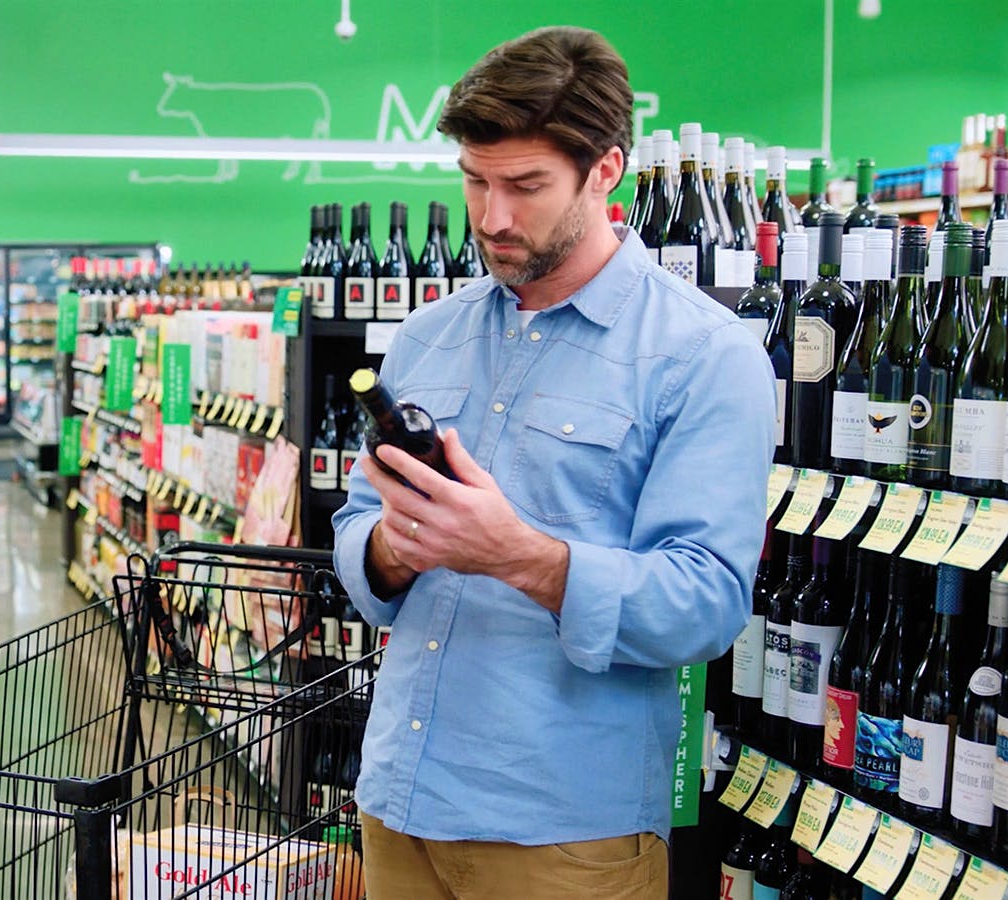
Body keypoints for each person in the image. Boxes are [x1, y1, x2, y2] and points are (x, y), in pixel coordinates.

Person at [331, 26, 774, 899]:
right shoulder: (425, 337)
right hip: (396, 803)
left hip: (564, 837)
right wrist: (394, 548)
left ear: (605, 172)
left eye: (526, 186)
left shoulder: (705, 355)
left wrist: (518, 555)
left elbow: (707, 604)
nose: (493, 217)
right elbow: (356, 533)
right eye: (475, 182)